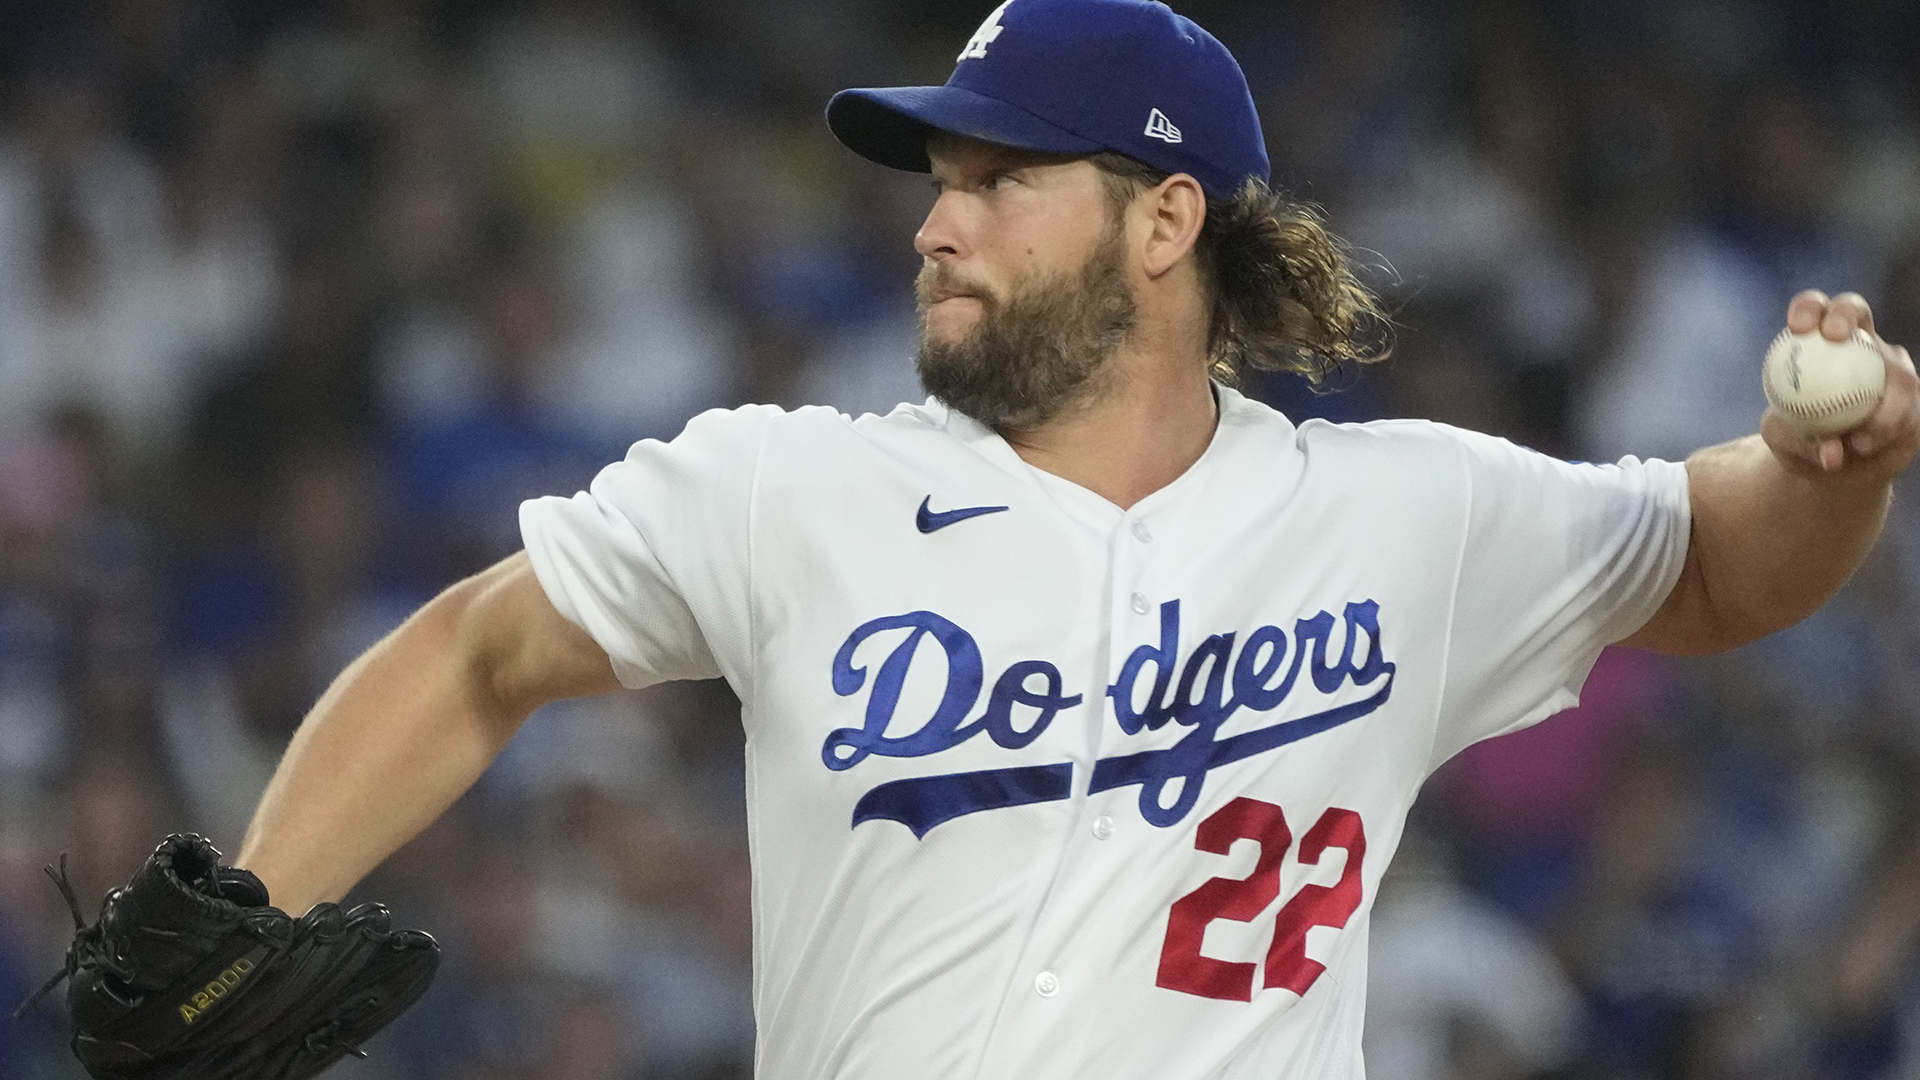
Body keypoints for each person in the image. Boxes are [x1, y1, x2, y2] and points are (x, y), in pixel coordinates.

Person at [233, 1, 1920, 1076]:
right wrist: (247, 913)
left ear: (1165, 219)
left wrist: (1829, 472)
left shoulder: (1404, 514)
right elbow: (473, 650)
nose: (933, 221)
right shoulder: (786, 489)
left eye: (996, 178)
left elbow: (1708, 557)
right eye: (938, 177)